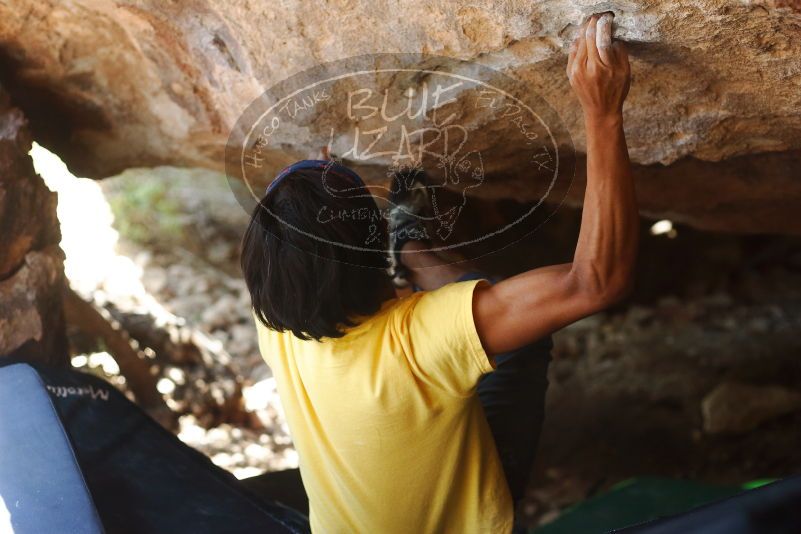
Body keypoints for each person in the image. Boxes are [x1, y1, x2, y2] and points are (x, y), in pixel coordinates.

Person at [240, 13, 636, 533]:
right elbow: (594, 282)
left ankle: (408, 249)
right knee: (518, 341)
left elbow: (296, 240)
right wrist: (601, 113)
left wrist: (316, 181)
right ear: (370, 262)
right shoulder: (418, 341)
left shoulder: (275, 320)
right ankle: (413, 251)